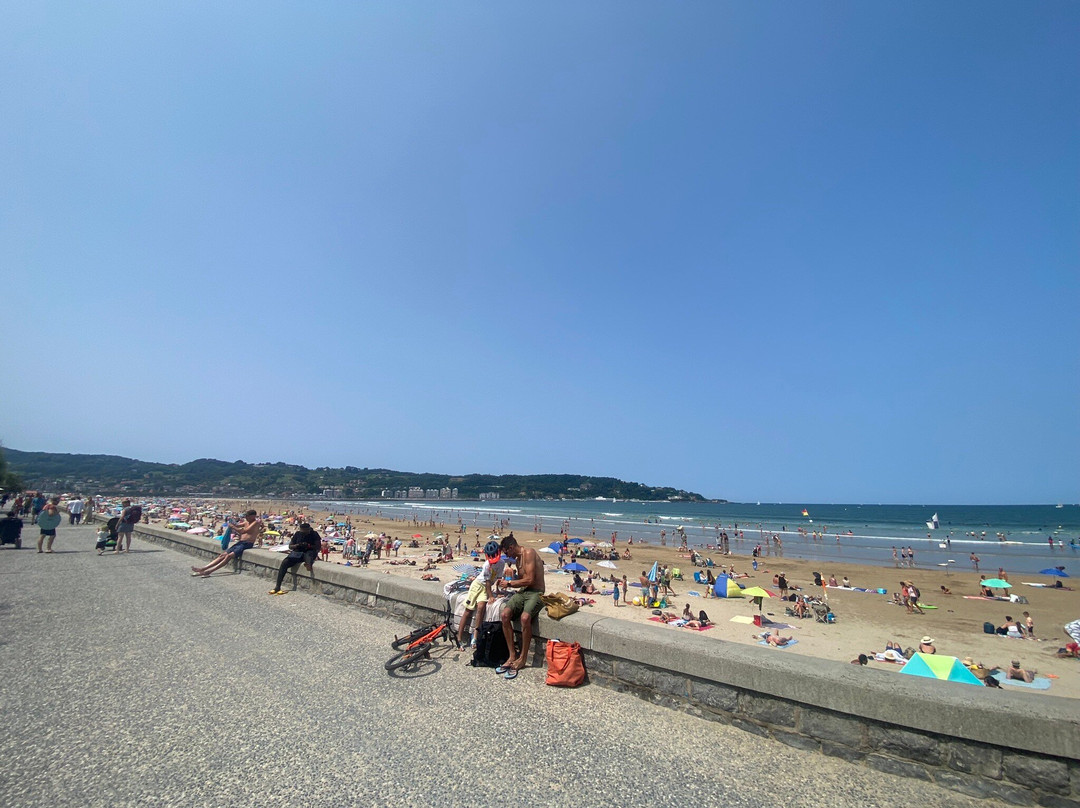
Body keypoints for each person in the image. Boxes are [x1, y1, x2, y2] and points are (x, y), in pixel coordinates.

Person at [496, 534, 545, 679]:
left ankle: (523, 658)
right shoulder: (517, 560)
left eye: (506, 552)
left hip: (536, 592)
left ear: (511, 548)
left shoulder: (528, 553)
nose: (507, 556)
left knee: (525, 618)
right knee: (505, 615)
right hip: (524, 592)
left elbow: (530, 579)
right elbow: (522, 581)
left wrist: (510, 584)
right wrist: (505, 581)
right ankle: (512, 655)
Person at [457, 540, 506, 646]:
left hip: (485, 589)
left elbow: (498, 578)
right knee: (468, 610)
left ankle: (475, 635)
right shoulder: (486, 565)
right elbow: (488, 582)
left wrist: (497, 591)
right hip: (478, 585)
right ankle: (459, 637)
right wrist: (491, 596)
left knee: (481, 608)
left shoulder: (502, 563)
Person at [190, 510, 264, 577]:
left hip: (247, 544)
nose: (246, 518)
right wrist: (232, 523)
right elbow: (238, 525)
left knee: (228, 556)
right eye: (245, 516)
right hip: (240, 542)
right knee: (222, 555)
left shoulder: (255, 523)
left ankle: (210, 571)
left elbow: (244, 531)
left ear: (253, 516)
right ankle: (203, 568)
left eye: (247, 516)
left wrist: (233, 527)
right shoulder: (246, 522)